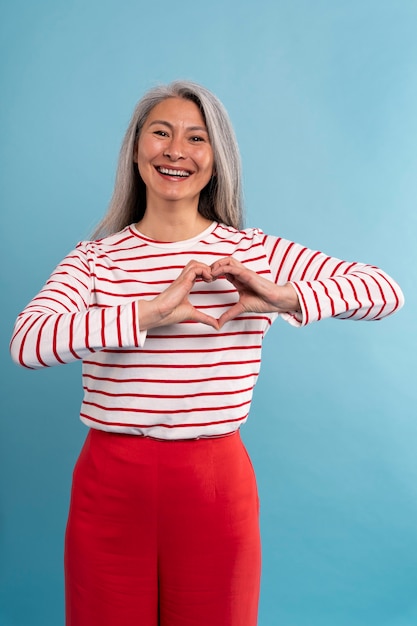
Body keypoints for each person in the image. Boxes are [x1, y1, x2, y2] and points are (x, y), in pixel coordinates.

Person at [10, 80, 404, 626]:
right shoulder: (94, 258)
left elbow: (386, 291)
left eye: (196, 138)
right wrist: (145, 314)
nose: (176, 151)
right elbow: (27, 342)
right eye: (160, 133)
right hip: (110, 485)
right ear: (135, 148)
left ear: (217, 159)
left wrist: (282, 296)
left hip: (215, 485)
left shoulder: (253, 252)